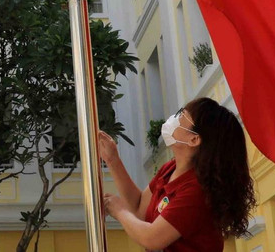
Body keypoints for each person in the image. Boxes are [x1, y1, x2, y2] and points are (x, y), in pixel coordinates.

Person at [100, 97, 256, 251]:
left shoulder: (197, 191)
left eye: (182, 115)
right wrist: (112, 159)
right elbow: (139, 210)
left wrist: (119, 210)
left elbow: (152, 238)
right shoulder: (170, 169)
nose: (174, 118)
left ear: (194, 139)